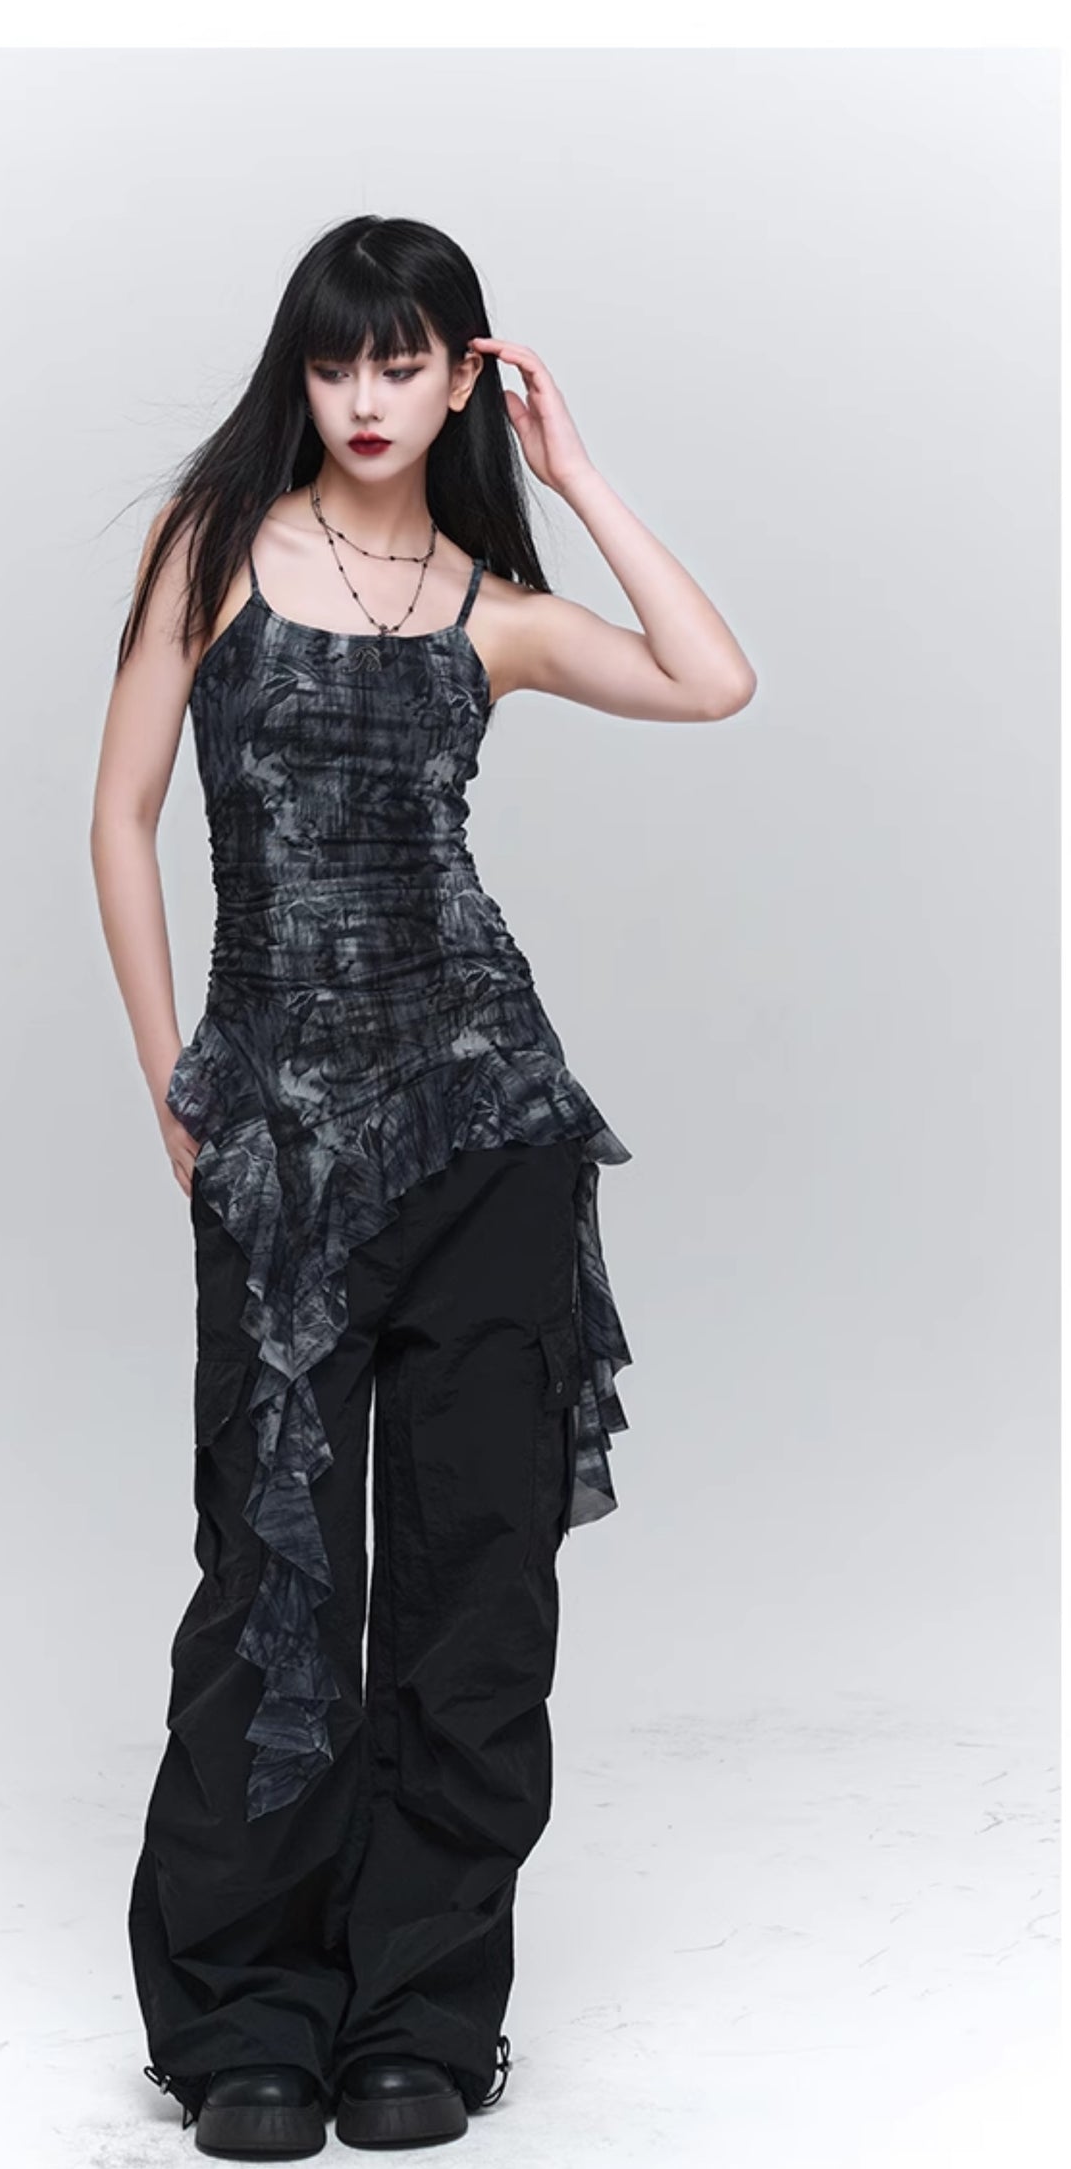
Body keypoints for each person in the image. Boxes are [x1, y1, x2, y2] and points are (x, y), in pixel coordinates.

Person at [89, 213, 756, 2159]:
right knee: (275, 1585)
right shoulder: (209, 550)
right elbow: (121, 819)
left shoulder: (493, 607)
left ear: (463, 375)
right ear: (297, 375)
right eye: (334, 362)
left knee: (474, 1594)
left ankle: (421, 2018)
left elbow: (713, 681)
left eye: (403, 363)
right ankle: (244, 2017)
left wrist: (578, 473)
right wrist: (170, 1078)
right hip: (281, 1143)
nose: (366, 399)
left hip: (487, 1131)